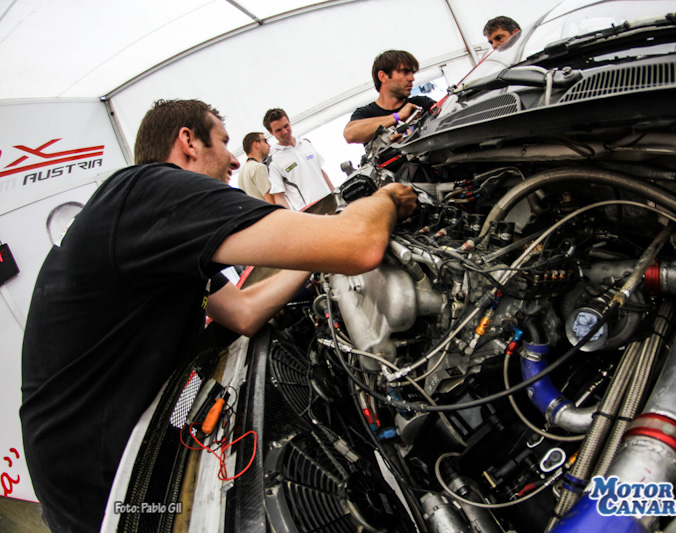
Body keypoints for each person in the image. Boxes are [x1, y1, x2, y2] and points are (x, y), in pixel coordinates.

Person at [20, 99, 417, 532]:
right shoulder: (150, 190)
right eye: (225, 142)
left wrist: (317, 256)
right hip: (100, 484)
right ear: (187, 141)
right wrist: (387, 199)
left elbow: (244, 313)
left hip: (142, 437)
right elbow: (359, 243)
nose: (233, 159)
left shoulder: (160, 235)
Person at [344, 50, 437, 145]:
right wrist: (398, 116)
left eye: (412, 73)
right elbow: (350, 134)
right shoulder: (366, 113)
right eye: (405, 72)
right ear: (383, 76)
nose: (412, 78)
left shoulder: (422, 103)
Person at [262, 108, 334, 210]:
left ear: (289, 122)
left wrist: (336, 193)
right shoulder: (273, 160)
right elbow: (279, 196)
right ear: (270, 132)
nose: (285, 131)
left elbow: (320, 171)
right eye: (278, 130)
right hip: (310, 213)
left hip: (331, 203)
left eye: (286, 126)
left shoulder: (306, 143)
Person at [239, 131, 272, 201]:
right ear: (256, 144)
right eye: (265, 141)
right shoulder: (258, 167)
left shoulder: (242, 172)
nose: (269, 145)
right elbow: (271, 201)